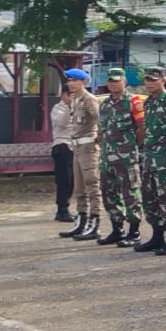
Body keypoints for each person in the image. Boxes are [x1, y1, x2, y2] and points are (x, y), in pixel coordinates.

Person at [133, 68, 166, 256]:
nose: (149, 83)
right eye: (147, 80)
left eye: (154, 80)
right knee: (150, 198)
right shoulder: (147, 103)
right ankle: (157, 237)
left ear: (163, 80)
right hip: (150, 158)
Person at [95, 67, 145, 247]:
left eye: (117, 80)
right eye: (111, 81)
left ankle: (134, 231)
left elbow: (141, 128)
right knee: (108, 193)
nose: (114, 84)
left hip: (126, 157)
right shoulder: (105, 104)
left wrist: (133, 146)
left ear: (124, 81)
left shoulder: (133, 101)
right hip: (107, 157)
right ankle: (117, 229)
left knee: (130, 193)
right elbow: (101, 129)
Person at [58, 67, 101, 242]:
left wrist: (97, 141)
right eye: (69, 81)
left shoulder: (89, 100)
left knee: (92, 185)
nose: (71, 84)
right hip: (76, 147)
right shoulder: (75, 100)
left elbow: (100, 122)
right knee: (79, 188)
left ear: (83, 82)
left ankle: (94, 222)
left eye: (74, 80)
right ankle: (81, 220)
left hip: (88, 148)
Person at [49, 85, 76, 222]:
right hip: (62, 145)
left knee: (73, 181)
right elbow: (62, 123)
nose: (72, 97)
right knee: (64, 180)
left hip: (75, 146)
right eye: (69, 94)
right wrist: (70, 107)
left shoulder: (78, 106)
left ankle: (67, 207)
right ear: (63, 95)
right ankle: (61, 210)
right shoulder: (58, 108)